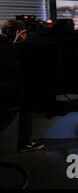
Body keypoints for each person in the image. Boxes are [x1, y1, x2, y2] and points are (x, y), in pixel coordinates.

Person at [1, 20, 43, 152]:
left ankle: (24, 143)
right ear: (14, 33)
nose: (25, 37)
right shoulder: (5, 46)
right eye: (23, 33)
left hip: (13, 87)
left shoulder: (9, 45)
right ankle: (24, 143)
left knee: (25, 108)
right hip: (7, 89)